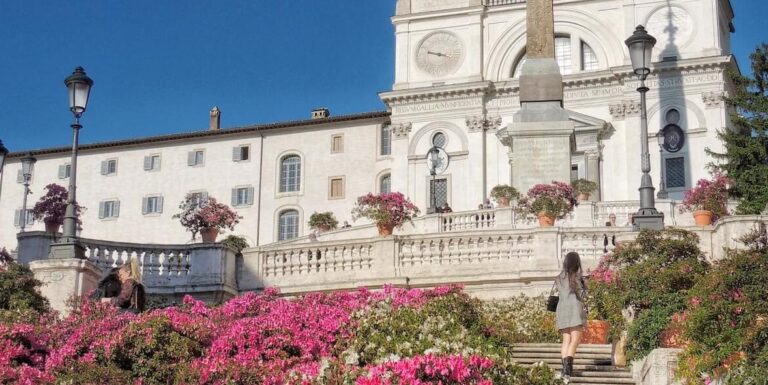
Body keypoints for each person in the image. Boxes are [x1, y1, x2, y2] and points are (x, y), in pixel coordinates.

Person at [554, 251, 587, 382]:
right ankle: (567, 372)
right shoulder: (577, 277)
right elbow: (582, 296)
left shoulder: (558, 278)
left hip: (562, 310)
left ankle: (564, 371)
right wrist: (586, 286)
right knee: (575, 340)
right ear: (576, 263)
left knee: (566, 340)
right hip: (574, 309)